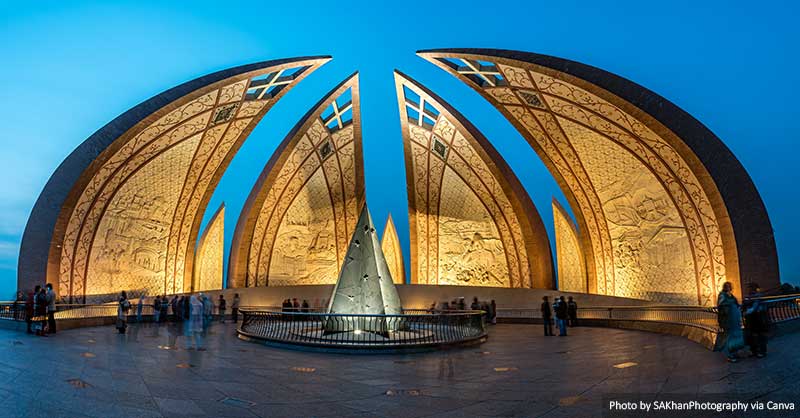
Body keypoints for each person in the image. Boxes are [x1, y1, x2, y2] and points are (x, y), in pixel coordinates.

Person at [715, 282, 745, 362]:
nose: (729, 287)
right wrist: (730, 304)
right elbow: (720, 305)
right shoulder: (722, 295)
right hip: (727, 320)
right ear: (725, 287)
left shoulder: (731, 295)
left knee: (736, 336)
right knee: (730, 337)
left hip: (735, 319)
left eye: (730, 286)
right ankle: (731, 355)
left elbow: (736, 304)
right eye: (727, 286)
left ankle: (736, 353)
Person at [743, 283, 769, 358]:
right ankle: (754, 351)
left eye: (750, 288)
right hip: (751, 319)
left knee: (760, 335)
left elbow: (756, 308)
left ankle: (762, 351)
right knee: (751, 335)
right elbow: (745, 305)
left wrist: (748, 309)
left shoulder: (758, 297)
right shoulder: (749, 297)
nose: (749, 289)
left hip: (758, 318)